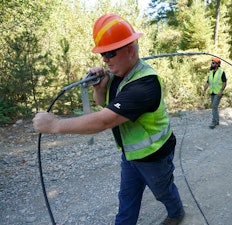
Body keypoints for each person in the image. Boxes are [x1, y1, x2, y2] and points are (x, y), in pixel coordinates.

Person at [33, 13, 185, 225]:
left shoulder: (145, 85)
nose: (104, 59)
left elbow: (104, 120)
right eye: (103, 54)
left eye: (110, 53)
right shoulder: (118, 74)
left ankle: (176, 213)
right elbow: (101, 103)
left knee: (163, 191)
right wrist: (100, 87)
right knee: (127, 200)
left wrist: (55, 125)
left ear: (130, 50)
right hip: (130, 154)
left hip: (155, 156)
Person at [202, 57, 227, 129]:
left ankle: (214, 122)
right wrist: (204, 90)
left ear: (217, 64)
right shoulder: (210, 72)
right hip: (212, 92)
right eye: (212, 62)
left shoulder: (221, 72)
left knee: (214, 106)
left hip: (218, 92)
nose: (212, 64)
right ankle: (217, 121)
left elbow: (224, 82)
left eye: (214, 63)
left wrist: (221, 91)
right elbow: (207, 83)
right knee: (214, 107)